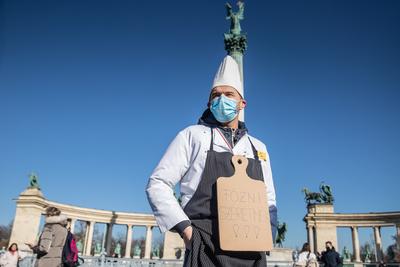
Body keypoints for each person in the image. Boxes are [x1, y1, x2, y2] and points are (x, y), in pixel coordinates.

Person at [146, 55, 277, 266]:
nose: (221, 99)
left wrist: (268, 235)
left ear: (242, 103)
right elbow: (158, 183)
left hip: (252, 250)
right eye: (216, 95)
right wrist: (186, 232)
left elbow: (268, 197)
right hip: (205, 246)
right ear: (209, 103)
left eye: (228, 94)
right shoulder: (192, 135)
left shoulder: (258, 147)